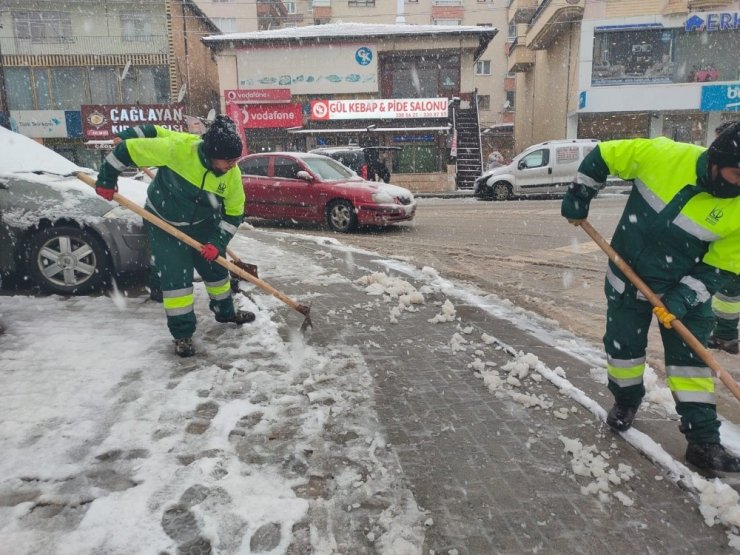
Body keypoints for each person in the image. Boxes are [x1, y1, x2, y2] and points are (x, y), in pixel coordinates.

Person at [560, 122, 740, 472]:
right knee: (623, 351)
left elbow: (724, 266)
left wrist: (684, 297)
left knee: (691, 366)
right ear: (718, 160)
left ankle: (703, 442)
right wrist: (580, 194)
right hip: (629, 283)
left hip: (686, 291)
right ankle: (626, 402)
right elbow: (605, 155)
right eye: (737, 174)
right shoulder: (663, 155)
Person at [95, 115, 253, 358]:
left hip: (203, 224)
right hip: (163, 222)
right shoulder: (178, 150)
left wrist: (217, 242)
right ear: (211, 154)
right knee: (176, 279)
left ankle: (226, 312)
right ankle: (182, 334)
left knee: (217, 272)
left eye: (235, 161)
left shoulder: (232, 175)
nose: (232, 166)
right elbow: (127, 149)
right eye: (228, 161)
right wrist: (107, 179)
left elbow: (234, 214)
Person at [708, 121, 740, 355]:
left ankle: (726, 335)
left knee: (729, 292)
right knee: (728, 294)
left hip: (732, 252)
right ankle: (724, 335)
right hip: (730, 251)